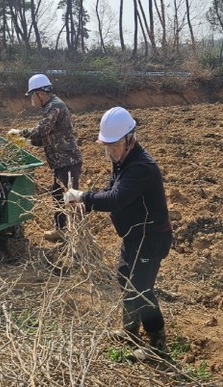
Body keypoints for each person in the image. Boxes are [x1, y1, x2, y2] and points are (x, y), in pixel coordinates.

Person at [63, 107, 173, 359]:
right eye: (107, 147)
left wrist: (84, 197)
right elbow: (110, 188)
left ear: (130, 139)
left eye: (114, 146)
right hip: (134, 235)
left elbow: (116, 198)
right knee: (125, 278)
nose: (110, 152)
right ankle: (130, 331)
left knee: (142, 288)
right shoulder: (123, 161)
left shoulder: (141, 167)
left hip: (151, 237)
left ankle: (158, 346)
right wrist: (84, 204)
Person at [9, 73, 82, 242]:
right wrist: (27, 142)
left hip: (68, 162)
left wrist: (20, 133)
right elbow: (48, 137)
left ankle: (75, 235)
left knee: (69, 199)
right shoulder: (51, 106)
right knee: (58, 195)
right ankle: (61, 230)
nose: (32, 100)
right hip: (61, 163)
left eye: (32, 95)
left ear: (40, 94)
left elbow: (42, 131)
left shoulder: (54, 106)